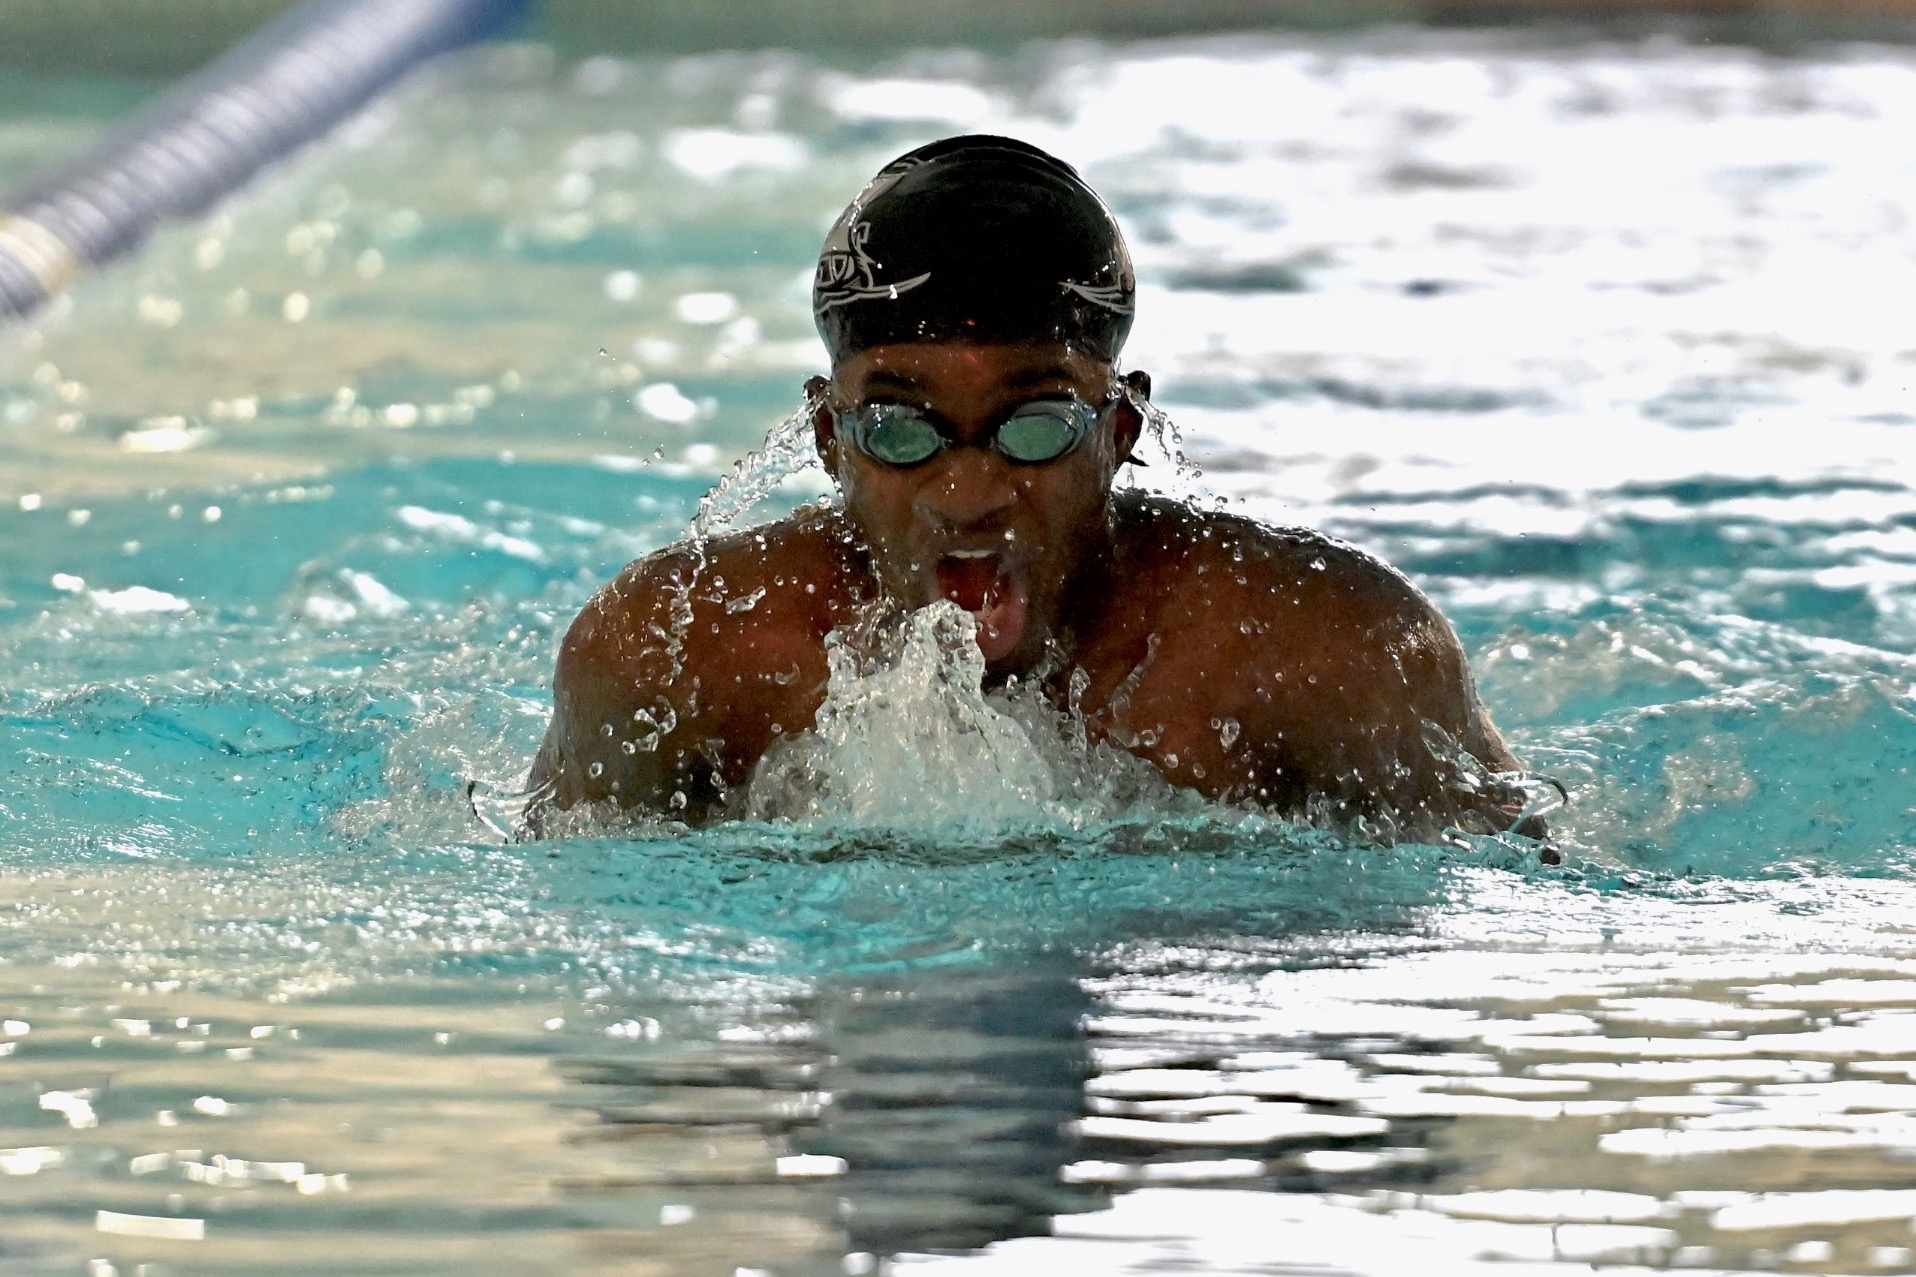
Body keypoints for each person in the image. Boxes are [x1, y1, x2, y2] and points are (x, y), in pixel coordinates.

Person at [527, 134, 1543, 840]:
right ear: (830, 438)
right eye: (899, 427)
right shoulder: (671, 655)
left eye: (1034, 424)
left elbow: (1510, 900)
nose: (967, 492)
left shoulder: (1326, 651)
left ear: (1120, 431)